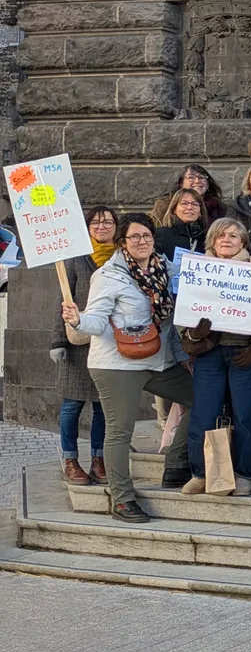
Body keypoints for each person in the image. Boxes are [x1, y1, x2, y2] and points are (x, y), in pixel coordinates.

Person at [60, 213, 194, 524]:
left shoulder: (167, 269)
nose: (142, 241)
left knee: (205, 398)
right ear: (123, 242)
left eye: (147, 235)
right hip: (116, 364)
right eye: (134, 237)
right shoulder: (109, 276)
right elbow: (94, 319)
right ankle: (121, 499)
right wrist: (76, 319)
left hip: (158, 361)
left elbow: (175, 318)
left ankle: (175, 462)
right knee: (120, 431)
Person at [177, 219, 251, 497]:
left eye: (233, 235)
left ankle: (243, 474)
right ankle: (202, 474)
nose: (227, 239)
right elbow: (183, 317)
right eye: (221, 235)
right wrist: (194, 334)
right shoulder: (197, 272)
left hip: (245, 352)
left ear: (243, 242)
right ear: (212, 242)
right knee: (203, 415)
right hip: (209, 354)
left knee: (247, 417)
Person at [51, 205, 117, 487]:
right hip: (78, 344)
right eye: (96, 223)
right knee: (72, 405)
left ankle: (99, 459)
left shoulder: (122, 256)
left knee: (103, 407)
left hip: (111, 342)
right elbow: (63, 300)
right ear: (87, 228)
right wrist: (57, 340)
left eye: (108, 222)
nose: (102, 227)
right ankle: (70, 459)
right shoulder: (77, 259)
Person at [150, 164, 226, 228]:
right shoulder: (165, 206)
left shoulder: (221, 209)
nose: (197, 181)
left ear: (208, 184)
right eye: (191, 177)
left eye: (201, 177)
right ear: (181, 183)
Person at [153, 188, 207, 258]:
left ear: (200, 212)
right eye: (184, 203)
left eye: (195, 204)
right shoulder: (161, 234)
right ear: (174, 209)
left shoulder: (207, 240)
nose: (190, 207)